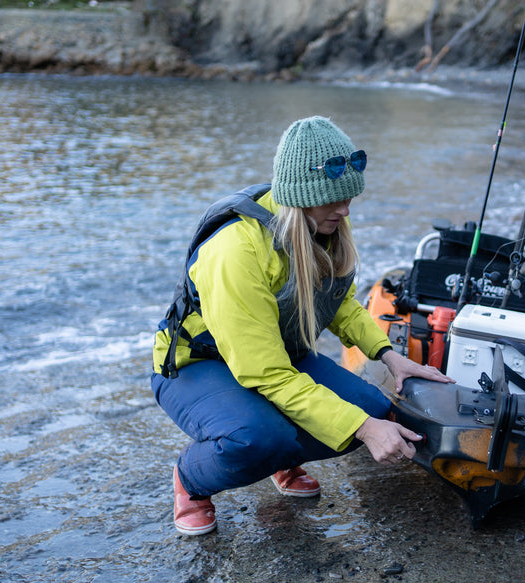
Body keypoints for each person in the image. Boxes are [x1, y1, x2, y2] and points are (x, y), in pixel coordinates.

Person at [151, 116, 451, 535]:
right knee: (262, 438)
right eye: (334, 201)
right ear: (300, 197)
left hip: (274, 355)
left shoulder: (321, 224)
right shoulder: (235, 251)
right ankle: (192, 479)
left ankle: (280, 458)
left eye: (348, 199)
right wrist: (364, 430)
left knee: (375, 409)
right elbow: (266, 373)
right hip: (198, 365)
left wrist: (390, 357)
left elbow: (340, 302)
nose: (345, 210)